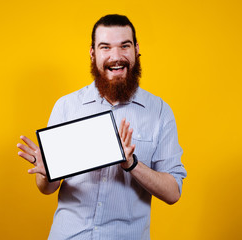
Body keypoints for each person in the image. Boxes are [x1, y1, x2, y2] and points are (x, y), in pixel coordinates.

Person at [17, 14, 187, 240]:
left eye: (124, 46)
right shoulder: (67, 106)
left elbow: (173, 192)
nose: (116, 57)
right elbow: (48, 188)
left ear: (136, 49)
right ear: (93, 53)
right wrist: (47, 174)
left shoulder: (159, 112)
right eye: (105, 47)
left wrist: (132, 164)